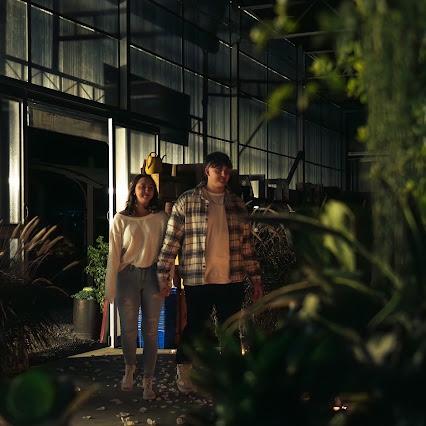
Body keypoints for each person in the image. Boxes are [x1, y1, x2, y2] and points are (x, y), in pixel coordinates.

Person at [157, 151, 263, 394]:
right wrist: (163, 275)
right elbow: (171, 242)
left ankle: (230, 376)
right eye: (218, 169)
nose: (223, 174)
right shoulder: (187, 201)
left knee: (231, 330)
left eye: (227, 170)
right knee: (195, 328)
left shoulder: (236, 204)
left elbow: (247, 247)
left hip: (232, 278)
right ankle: (185, 374)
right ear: (207, 171)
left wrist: (256, 279)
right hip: (198, 278)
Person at [105, 173, 169, 400]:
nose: (146, 190)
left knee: (150, 331)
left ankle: (148, 381)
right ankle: (129, 369)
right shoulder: (120, 219)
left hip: (153, 275)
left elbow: (167, 252)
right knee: (129, 330)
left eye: (151, 187)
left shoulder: (161, 218)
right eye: (142, 186)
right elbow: (113, 254)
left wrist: (167, 280)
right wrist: (109, 288)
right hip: (127, 276)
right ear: (134, 190)